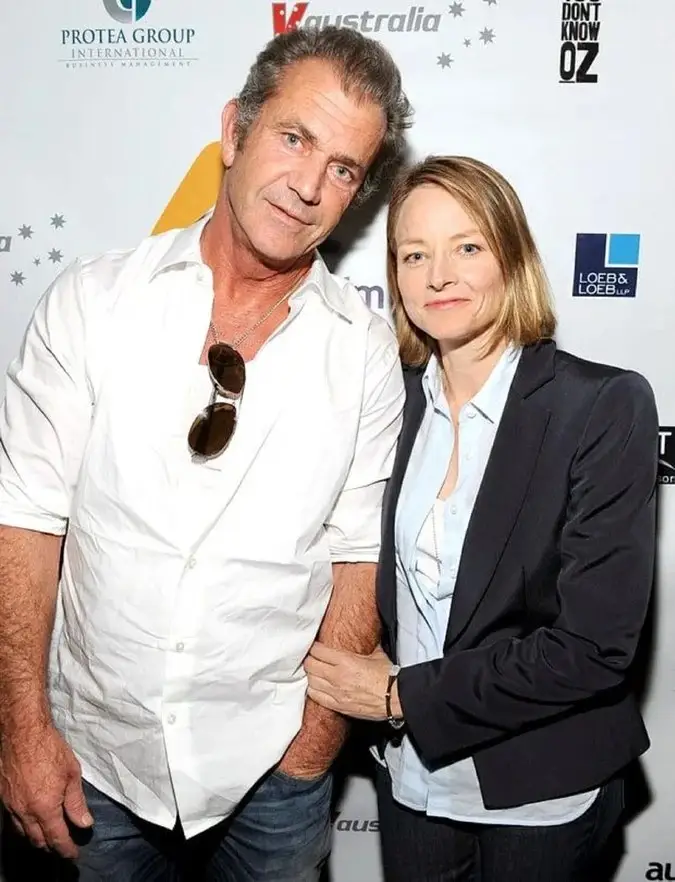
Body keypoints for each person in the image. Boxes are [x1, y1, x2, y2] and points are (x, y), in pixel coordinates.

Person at [0, 26, 412, 882]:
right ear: (234, 131)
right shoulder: (94, 301)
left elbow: (358, 557)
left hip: (271, 774)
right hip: (92, 760)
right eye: (293, 138)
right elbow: (25, 522)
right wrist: (23, 730)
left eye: (342, 169)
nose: (307, 186)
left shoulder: (363, 351)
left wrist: (309, 751)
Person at [305, 155, 658, 882]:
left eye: (466, 247)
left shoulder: (600, 405)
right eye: (414, 255)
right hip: (411, 784)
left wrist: (401, 696)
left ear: (511, 257)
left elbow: (592, 648)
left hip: (541, 787)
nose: (438, 276)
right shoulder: (390, 401)